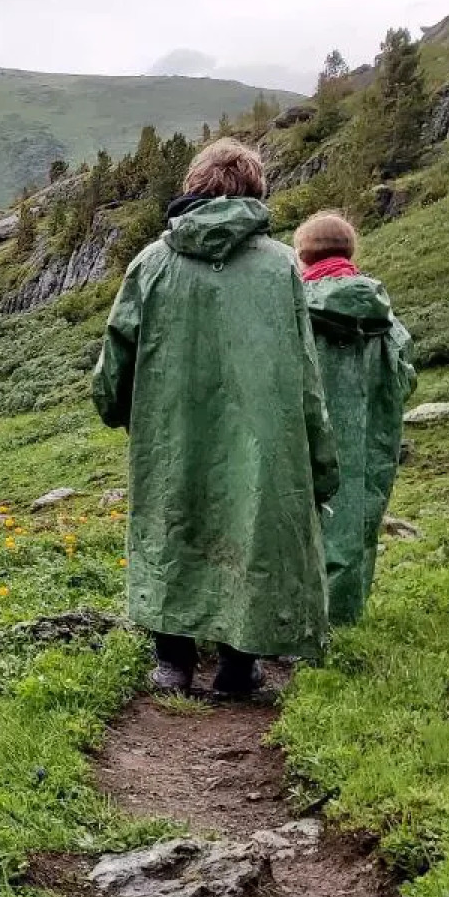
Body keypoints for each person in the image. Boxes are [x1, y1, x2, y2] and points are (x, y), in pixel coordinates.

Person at [92, 139, 339, 698]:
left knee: (172, 523)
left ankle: (172, 664)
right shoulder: (281, 268)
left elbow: (117, 353)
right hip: (262, 437)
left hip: (168, 430)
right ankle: (237, 668)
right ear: (255, 190)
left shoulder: (151, 264)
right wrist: (321, 456)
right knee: (247, 531)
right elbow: (304, 370)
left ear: (192, 187)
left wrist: (116, 406)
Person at [294, 211, 416, 625]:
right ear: (350, 252)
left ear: (302, 255)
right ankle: (343, 625)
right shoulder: (384, 316)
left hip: (303, 439)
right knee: (355, 527)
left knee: (298, 528)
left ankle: (296, 626)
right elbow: (405, 377)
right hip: (369, 443)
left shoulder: (295, 308)